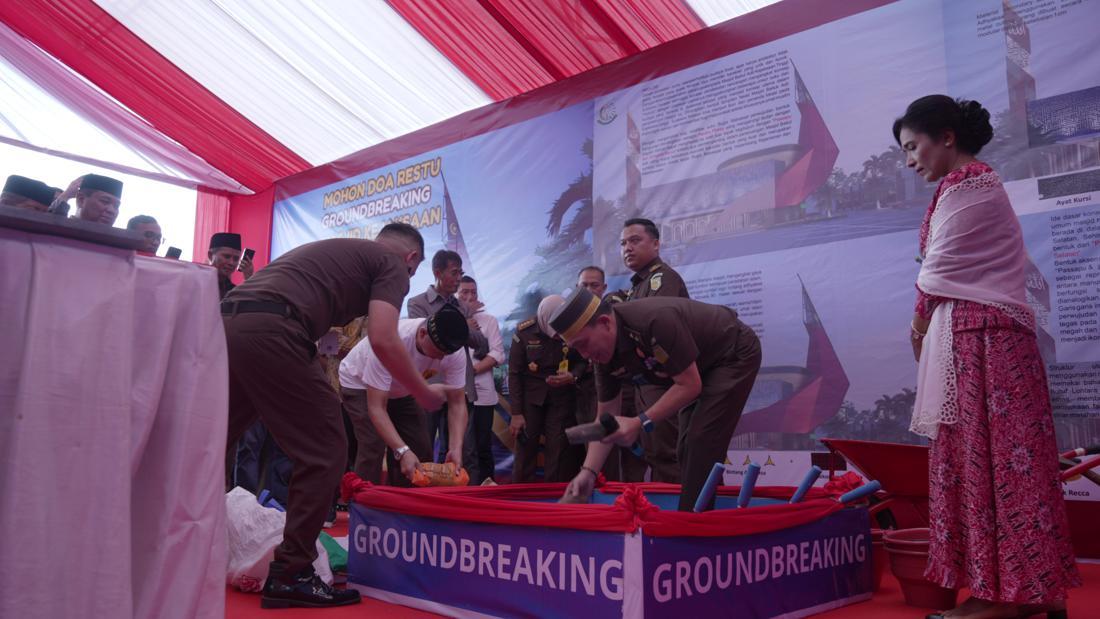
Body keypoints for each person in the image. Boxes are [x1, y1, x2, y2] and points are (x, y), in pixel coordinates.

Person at [896, 95, 1078, 619]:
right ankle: (1036, 591)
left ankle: (1004, 598)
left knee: (991, 464)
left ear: (946, 137)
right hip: (988, 337)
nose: (910, 160)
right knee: (1007, 464)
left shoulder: (967, 185)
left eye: (913, 146)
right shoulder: (973, 185)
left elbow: (935, 272)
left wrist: (916, 326)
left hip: (983, 341)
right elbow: (941, 267)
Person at [221, 224, 446, 609]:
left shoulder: (341, 252)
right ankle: (292, 572)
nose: (407, 280)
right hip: (276, 328)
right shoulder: (390, 265)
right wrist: (422, 391)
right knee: (326, 447)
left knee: (214, 440)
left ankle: (165, 539)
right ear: (411, 259)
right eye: (413, 271)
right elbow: (382, 337)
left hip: (229, 320)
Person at [551, 287, 761, 512]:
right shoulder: (602, 357)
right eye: (576, 349)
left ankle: (692, 525)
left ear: (605, 323)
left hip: (732, 352)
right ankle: (709, 515)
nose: (584, 355)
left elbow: (689, 385)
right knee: (686, 447)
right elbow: (606, 419)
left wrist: (639, 421)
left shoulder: (653, 321)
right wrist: (588, 473)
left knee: (701, 439)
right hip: (699, 367)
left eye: (583, 344)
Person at [339, 305, 469, 487]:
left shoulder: (453, 352)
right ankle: (364, 502)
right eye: (438, 352)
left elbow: (457, 403)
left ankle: (403, 501)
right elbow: (377, 408)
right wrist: (402, 450)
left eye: (446, 354)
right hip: (359, 381)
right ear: (423, 333)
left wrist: (456, 447)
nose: (441, 359)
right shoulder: (392, 343)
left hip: (402, 388)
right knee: (373, 443)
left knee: (420, 444)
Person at [620, 218, 690, 483]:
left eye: (635, 240)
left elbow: (659, 335)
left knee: (667, 456)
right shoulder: (638, 285)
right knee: (655, 453)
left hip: (667, 383)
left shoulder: (662, 279)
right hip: (649, 384)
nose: (627, 247)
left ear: (656, 244)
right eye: (623, 243)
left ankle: (674, 520)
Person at [407, 250, 487, 467]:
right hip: (428, 383)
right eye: (454, 272)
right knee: (422, 446)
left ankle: (462, 498)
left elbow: (480, 342)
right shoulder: (417, 303)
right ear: (437, 272)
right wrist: (462, 324)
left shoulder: (461, 306)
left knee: (463, 449)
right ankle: (422, 497)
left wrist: (458, 324)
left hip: (458, 383)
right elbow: (424, 336)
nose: (459, 278)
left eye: (461, 272)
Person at [574, 268, 645, 482]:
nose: (588, 290)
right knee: (602, 453)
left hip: (632, 392)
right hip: (594, 395)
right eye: (584, 285)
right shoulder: (570, 319)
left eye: (594, 285)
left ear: (603, 288)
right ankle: (604, 501)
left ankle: (632, 499)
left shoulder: (618, 307)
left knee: (635, 454)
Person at [508, 295, 586, 483]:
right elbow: (514, 373)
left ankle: (554, 500)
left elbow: (583, 359)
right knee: (525, 451)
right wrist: (516, 414)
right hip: (531, 401)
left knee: (558, 451)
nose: (557, 334)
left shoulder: (571, 325)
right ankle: (521, 498)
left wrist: (573, 376)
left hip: (561, 399)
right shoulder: (524, 332)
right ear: (543, 318)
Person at [457, 276, 505, 484]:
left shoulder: (489, 320)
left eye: (473, 292)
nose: (469, 297)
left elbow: (498, 354)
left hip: (483, 392)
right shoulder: (450, 319)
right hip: (457, 393)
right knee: (461, 445)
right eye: (464, 292)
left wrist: (473, 371)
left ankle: (488, 487)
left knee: (483, 444)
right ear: (455, 296)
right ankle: (464, 488)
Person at [208, 232, 254, 298]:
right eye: (226, 256)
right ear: (210, 255)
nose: (231, 263)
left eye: (236, 259)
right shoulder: (197, 282)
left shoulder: (233, 292)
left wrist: (249, 280)